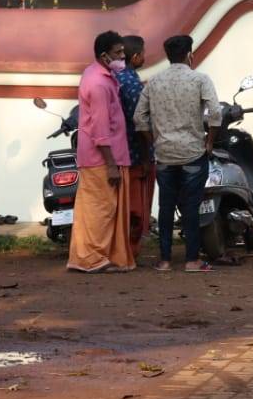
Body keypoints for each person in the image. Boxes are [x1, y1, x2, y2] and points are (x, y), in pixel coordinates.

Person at [134, 34, 221, 273]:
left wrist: (154, 142)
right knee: (191, 208)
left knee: (165, 207)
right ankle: (192, 260)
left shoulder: (154, 82)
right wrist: (209, 142)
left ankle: (164, 260)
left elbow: (139, 118)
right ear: (189, 55)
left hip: (164, 155)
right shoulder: (200, 79)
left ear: (168, 56)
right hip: (193, 153)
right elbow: (215, 112)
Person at [68, 31, 137, 273]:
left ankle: (99, 256)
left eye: (122, 52)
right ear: (104, 56)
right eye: (118, 53)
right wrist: (110, 164)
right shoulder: (98, 83)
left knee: (100, 208)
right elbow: (100, 128)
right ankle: (91, 258)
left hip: (107, 155)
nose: (123, 56)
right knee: (101, 210)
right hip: (102, 158)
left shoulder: (98, 74)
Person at [114, 34, 155, 253]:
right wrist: (147, 155)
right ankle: (129, 252)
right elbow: (140, 123)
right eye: (144, 53)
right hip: (135, 154)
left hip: (118, 152)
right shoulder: (131, 82)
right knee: (137, 210)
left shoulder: (114, 77)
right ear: (136, 56)